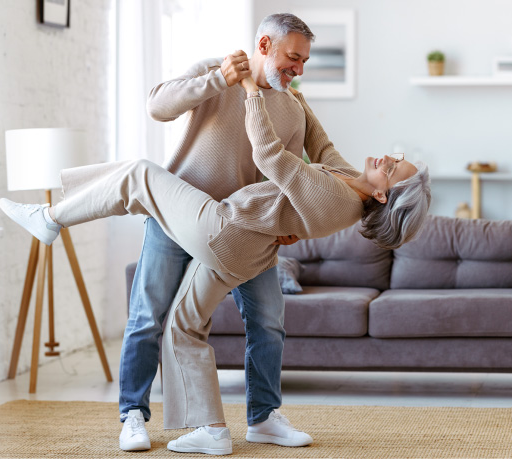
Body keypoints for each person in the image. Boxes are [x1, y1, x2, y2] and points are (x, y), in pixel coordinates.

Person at [0, 75, 431, 455]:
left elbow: (271, 158)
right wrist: (297, 101)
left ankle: (51, 218)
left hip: (222, 230)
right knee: (183, 325)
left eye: (392, 169)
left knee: (139, 175)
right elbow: (323, 144)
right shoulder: (348, 181)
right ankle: (213, 429)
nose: (385, 159)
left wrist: (249, 91)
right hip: (247, 247)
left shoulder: (336, 199)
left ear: (382, 197)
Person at [118, 13, 351, 452]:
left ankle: (263, 417)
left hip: (245, 233)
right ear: (264, 45)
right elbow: (156, 106)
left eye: (303, 61)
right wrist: (218, 79)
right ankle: (133, 414)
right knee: (148, 316)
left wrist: (295, 219)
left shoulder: (294, 105)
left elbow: (315, 170)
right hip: (176, 220)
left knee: (268, 321)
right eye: (292, 58)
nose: (298, 69)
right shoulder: (215, 70)